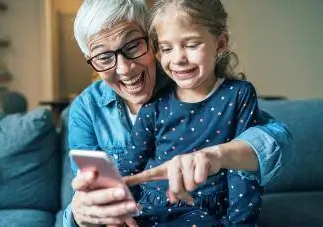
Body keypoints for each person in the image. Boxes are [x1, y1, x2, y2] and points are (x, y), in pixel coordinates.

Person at [64, 0, 293, 226]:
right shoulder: (87, 110)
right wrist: (91, 212)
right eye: (104, 57)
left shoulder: (196, 83)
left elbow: (273, 138)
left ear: (151, 41)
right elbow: (95, 191)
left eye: (133, 46)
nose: (125, 68)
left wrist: (220, 155)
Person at [116, 0, 263, 225]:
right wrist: (115, 204)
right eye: (166, 49)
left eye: (192, 45)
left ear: (220, 43)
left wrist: (239, 223)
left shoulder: (238, 95)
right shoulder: (154, 105)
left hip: (207, 212)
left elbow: (244, 171)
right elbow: (130, 164)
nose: (178, 59)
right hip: (152, 208)